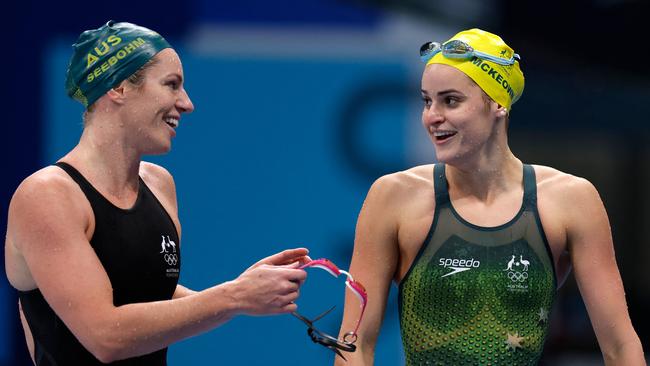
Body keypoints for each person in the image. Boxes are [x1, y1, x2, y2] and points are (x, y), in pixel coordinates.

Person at [4, 21, 309, 365]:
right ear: (118, 87)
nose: (187, 103)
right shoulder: (48, 196)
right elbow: (105, 336)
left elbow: (145, 291)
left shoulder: (159, 184)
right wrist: (233, 296)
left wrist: (248, 288)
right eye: (172, 85)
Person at [335, 28, 645, 365]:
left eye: (450, 100)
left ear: (498, 103)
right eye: (427, 100)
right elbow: (355, 345)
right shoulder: (393, 197)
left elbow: (619, 347)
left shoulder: (571, 200)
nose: (432, 116)